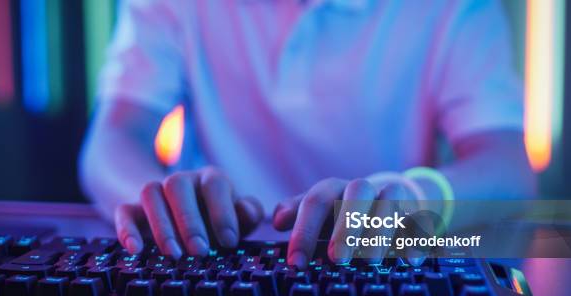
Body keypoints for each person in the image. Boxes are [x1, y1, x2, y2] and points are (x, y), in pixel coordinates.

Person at [79, 0, 536, 269]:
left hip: (380, 262)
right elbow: (113, 139)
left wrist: (418, 201)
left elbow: (508, 168)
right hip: (209, 259)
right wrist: (155, 200)